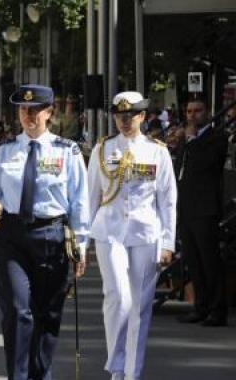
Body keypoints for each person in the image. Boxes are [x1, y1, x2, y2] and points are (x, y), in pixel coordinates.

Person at [0, 84, 89, 380]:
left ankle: (41, 374)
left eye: (35, 110)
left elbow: (79, 200)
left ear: (49, 112)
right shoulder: (4, 150)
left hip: (51, 235)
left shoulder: (67, 151)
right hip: (11, 236)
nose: (28, 115)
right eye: (23, 110)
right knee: (18, 311)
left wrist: (80, 243)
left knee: (47, 313)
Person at [88, 91, 177, 380]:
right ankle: (117, 367)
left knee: (140, 308)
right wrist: (81, 240)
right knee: (118, 298)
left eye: (130, 116)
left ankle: (132, 372)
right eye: (119, 116)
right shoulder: (102, 150)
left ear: (142, 116)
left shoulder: (157, 151)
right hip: (109, 232)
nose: (124, 122)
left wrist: (167, 241)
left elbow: (167, 200)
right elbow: (90, 198)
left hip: (145, 233)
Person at [175, 97, 228, 327]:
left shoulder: (216, 137)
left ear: (207, 112)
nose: (192, 115)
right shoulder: (186, 140)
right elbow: (180, 170)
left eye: (197, 111)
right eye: (189, 111)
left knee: (210, 262)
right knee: (193, 261)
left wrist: (189, 140)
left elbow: (206, 164)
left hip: (205, 209)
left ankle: (217, 310)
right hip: (186, 208)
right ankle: (201, 306)